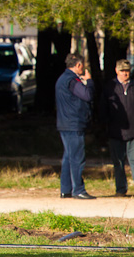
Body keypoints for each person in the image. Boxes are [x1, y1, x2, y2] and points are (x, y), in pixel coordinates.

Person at [56, 53, 95, 200]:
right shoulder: (72, 80)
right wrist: (89, 82)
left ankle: (66, 189)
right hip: (74, 123)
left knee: (68, 157)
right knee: (77, 157)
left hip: (64, 123)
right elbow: (87, 95)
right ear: (78, 65)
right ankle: (78, 189)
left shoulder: (61, 79)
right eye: (82, 65)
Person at [100, 59, 134, 197]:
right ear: (116, 71)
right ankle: (121, 189)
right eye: (122, 71)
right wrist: (105, 125)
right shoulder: (109, 87)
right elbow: (104, 109)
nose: (125, 73)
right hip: (116, 130)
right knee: (118, 162)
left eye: (127, 71)